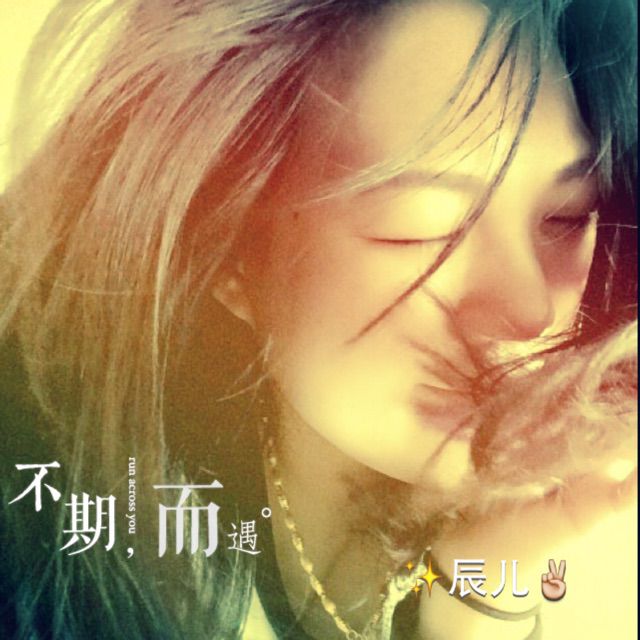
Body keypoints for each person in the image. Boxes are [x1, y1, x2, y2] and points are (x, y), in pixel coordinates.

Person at [0, 1, 636, 638]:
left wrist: (482, 599)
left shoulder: (585, 525)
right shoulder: (65, 540)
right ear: (230, 246)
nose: (530, 310)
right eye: (420, 225)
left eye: (566, 217)